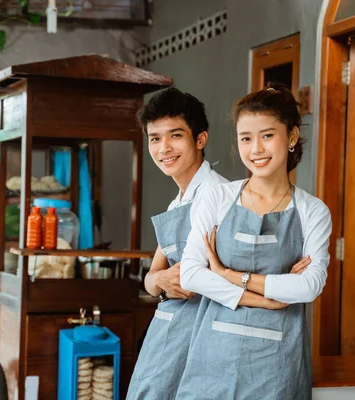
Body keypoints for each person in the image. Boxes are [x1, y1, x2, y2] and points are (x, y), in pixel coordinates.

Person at [176, 83, 332, 399]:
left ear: (290, 137)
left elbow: (310, 285)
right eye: (246, 138)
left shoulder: (312, 211)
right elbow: (191, 274)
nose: (256, 149)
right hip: (213, 360)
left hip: (277, 368)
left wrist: (226, 274)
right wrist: (267, 297)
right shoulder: (216, 198)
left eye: (267, 135)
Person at [127, 87, 229, 399]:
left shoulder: (217, 195)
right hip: (175, 328)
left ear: (200, 139)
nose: (164, 148)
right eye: (155, 138)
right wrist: (158, 280)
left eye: (175, 135)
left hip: (204, 332)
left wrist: (159, 280)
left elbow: (187, 280)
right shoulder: (178, 201)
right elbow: (151, 278)